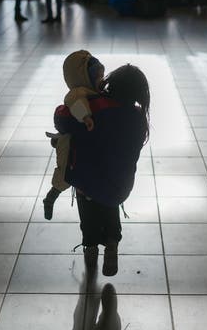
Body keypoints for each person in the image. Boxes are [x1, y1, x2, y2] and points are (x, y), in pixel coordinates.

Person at [51, 64, 150, 276]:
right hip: (120, 186)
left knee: (88, 210)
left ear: (111, 84)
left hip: (86, 182)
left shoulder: (95, 106)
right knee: (109, 200)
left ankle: (91, 246)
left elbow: (62, 119)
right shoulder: (138, 116)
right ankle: (112, 243)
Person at [43, 50, 105, 221]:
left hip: (80, 141)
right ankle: (50, 198)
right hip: (68, 143)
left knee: (74, 173)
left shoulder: (92, 91)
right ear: (84, 77)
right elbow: (76, 102)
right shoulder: (78, 92)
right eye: (97, 77)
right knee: (64, 174)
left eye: (102, 75)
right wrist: (85, 117)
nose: (101, 80)